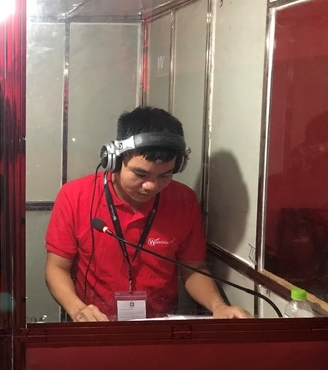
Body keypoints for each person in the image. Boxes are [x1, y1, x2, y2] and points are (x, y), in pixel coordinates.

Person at [45, 106, 250, 321]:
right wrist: (77, 309)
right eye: (140, 173)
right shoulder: (75, 196)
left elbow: (194, 267)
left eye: (164, 175)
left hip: (159, 325)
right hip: (96, 324)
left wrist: (218, 306)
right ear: (114, 160)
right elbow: (57, 267)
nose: (151, 186)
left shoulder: (184, 200)